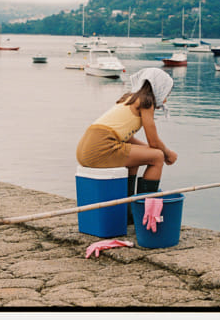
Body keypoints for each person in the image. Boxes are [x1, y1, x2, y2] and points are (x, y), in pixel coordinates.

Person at [76, 68, 178, 221]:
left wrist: (147, 150)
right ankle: (144, 212)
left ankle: (129, 213)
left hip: (87, 148)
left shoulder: (128, 99)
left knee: (135, 160)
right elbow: (154, 141)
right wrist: (167, 154)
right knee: (157, 157)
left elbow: (127, 139)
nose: (165, 101)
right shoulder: (146, 102)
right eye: (166, 95)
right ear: (158, 89)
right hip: (101, 148)